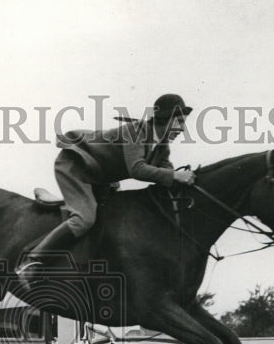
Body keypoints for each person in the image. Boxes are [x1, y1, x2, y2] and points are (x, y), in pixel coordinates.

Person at [16, 93, 197, 283]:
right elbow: (137, 169)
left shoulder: (162, 145)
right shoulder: (135, 132)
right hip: (76, 167)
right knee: (84, 219)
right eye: (179, 122)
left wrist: (181, 178)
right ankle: (31, 262)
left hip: (100, 176)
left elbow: (164, 169)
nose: (182, 129)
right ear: (165, 119)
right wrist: (175, 176)